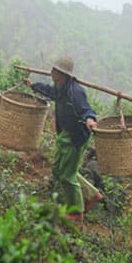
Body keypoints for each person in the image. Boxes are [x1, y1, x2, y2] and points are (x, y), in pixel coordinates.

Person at [23, 55, 104, 224]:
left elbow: (86, 110)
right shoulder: (60, 87)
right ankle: (92, 194)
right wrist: (34, 86)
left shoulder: (75, 91)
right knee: (59, 171)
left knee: (67, 176)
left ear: (63, 74)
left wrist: (90, 119)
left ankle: (76, 212)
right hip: (65, 134)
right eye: (53, 69)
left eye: (55, 70)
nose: (52, 72)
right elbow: (50, 92)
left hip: (76, 137)